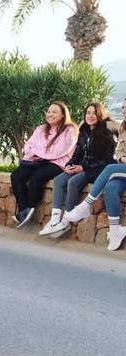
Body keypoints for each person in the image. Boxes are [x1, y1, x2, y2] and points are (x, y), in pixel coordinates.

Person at [39, 102, 117, 237]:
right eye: (88, 113)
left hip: (96, 170)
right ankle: (54, 220)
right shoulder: (84, 131)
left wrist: (83, 167)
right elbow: (78, 152)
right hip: (82, 166)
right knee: (59, 180)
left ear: (100, 115)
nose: (90, 116)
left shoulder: (106, 133)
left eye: (94, 113)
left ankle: (67, 219)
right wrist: (70, 164)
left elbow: (107, 160)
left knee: (73, 182)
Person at [63, 104, 126, 250]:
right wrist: (123, 158)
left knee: (110, 168)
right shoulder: (124, 127)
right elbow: (120, 152)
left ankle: (86, 205)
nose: (124, 110)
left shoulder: (112, 129)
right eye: (123, 107)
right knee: (110, 187)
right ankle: (116, 231)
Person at [9, 102, 78, 228]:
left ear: (63, 115)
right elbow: (28, 146)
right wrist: (38, 152)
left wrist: (38, 151)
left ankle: (30, 207)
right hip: (38, 161)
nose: (50, 114)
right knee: (16, 175)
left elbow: (61, 150)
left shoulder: (70, 130)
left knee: (38, 176)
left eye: (55, 112)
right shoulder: (41, 129)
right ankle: (24, 209)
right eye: (49, 111)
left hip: (58, 163)